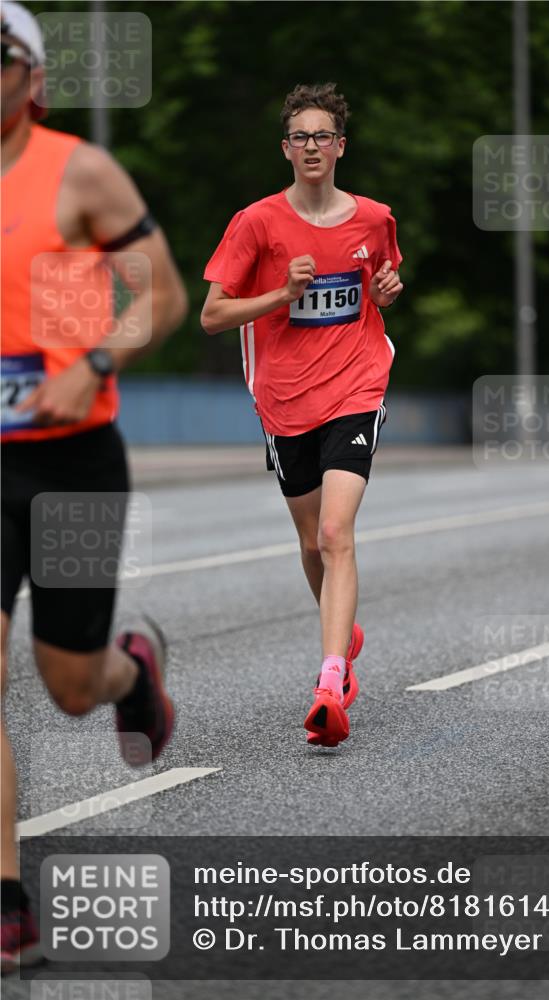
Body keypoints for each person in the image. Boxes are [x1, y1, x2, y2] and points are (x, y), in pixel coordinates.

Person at [0, 1, 188, 973]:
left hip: (72, 462)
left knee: (70, 687)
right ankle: (7, 900)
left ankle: (130, 676)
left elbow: (164, 293)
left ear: (33, 78)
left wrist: (96, 363)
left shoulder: (78, 172)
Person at [202, 82, 403, 748]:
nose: (311, 146)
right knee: (313, 542)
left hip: (356, 387)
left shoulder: (374, 219)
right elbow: (212, 315)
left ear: (340, 146)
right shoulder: (256, 223)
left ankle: (330, 681)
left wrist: (386, 291)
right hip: (284, 399)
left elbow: (382, 283)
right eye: (299, 137)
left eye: (322, 136)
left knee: (337, 533)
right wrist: (280, 294)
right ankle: (342, 631)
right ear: (285, 149)